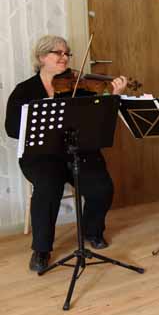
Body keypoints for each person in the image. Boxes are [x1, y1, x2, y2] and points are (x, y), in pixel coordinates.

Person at [4, 35, 128, 272]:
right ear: (41, 57)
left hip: (76, 150)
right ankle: (41, 249)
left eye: (67, 53)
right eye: (58, 53)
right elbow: (11, 128)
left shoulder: (77, 85)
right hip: (41, 156)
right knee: (49, 187)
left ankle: (92, 231)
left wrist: (113, 97)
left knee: (102, 186)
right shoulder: (25, 90)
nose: (65, 58)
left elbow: (98, 117)